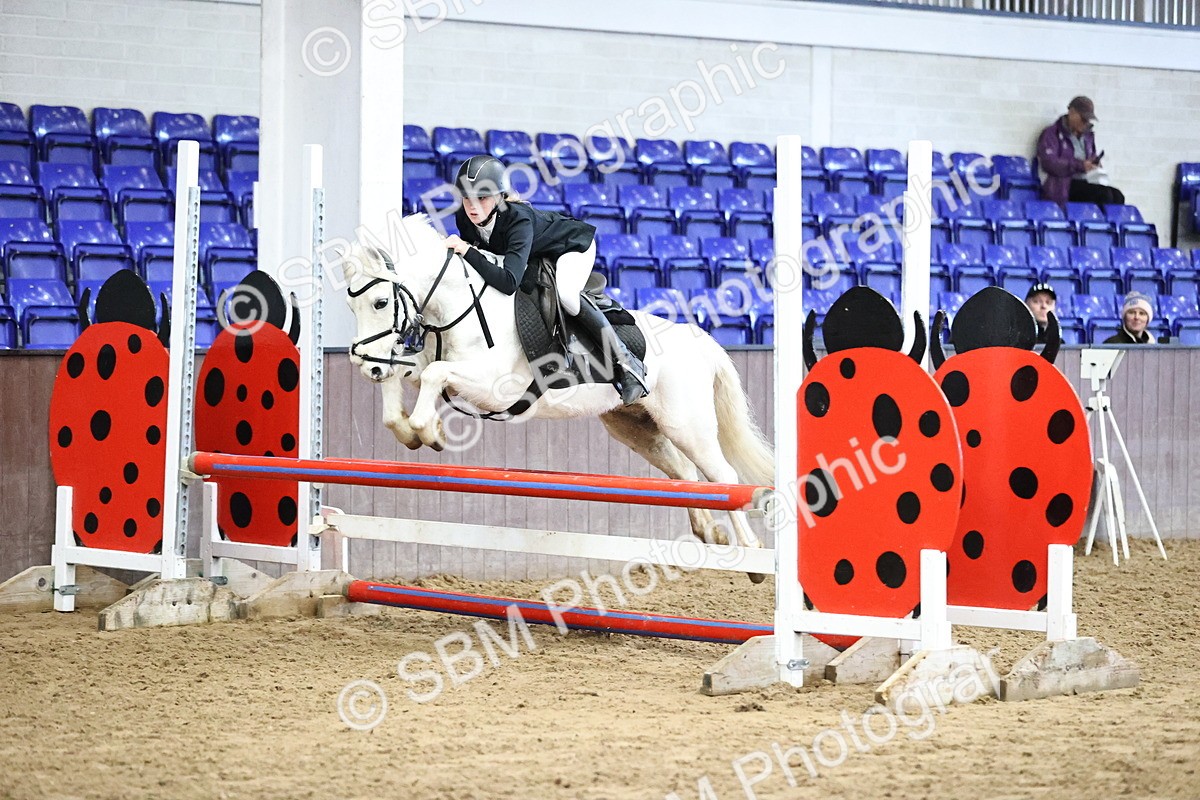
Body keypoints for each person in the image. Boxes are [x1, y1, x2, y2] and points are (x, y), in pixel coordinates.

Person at [443, 155, 649, 405]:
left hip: (571, 247)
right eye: (467, 198)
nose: (473, 206)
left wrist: (467, 251)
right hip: (536, 254)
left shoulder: (518, 219)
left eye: (482, 198)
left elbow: (508, 282)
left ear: (499, 197)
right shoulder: (465, 219)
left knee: (567, 296)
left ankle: (627, 364)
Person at [1037, 96, 1126, 207]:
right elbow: (1049, 163)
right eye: (1083, 119)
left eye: (1087, 120)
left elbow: (1091, 157)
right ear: (1072, 113)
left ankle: (1107, 223)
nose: (1085, 123)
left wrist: (1095, 165)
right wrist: (1080, 166)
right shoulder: (1052, 134)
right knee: (1104, 195)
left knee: (1117, 196)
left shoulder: (1088, 137)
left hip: (1087, 181)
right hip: (1064, 184)